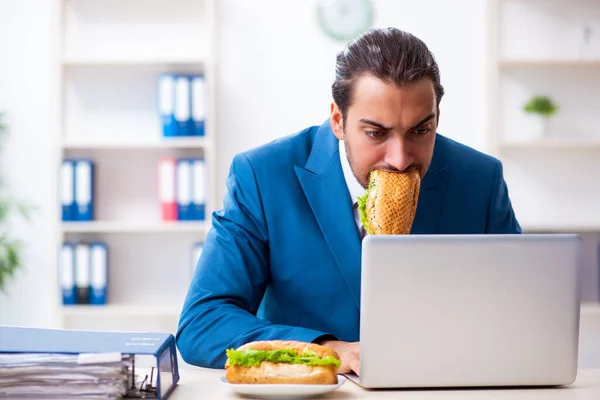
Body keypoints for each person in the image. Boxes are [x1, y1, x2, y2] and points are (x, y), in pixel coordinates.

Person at [176, 27, 521, 374]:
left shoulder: (480, 179)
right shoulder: (263, 176)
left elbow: (519, 310)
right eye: (376, 133)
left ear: (436, 119)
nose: (400, 159)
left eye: (420, 130)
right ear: (339, 121)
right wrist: (322, 349)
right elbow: (203, 322)